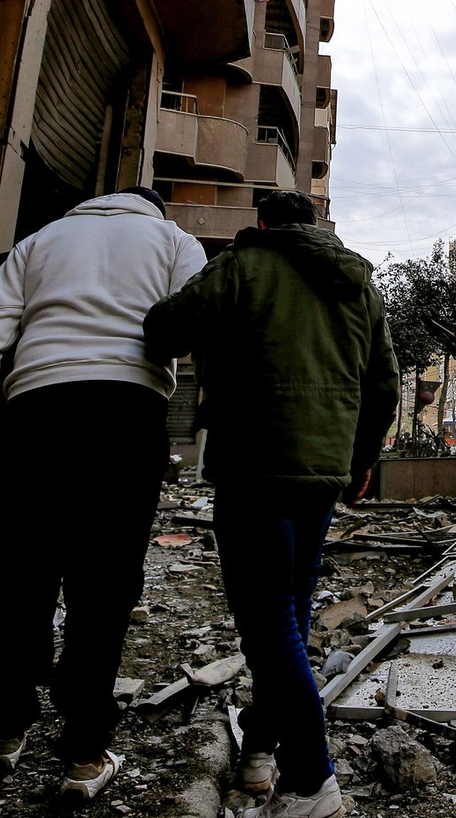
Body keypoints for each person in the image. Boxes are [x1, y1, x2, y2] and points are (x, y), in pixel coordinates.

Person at [143, 190, 399, 818]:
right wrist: (359, 459)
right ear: (315, 226)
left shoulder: (242, 265)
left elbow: (165, 328)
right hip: (321, 474)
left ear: (261, 223)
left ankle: (313, 780)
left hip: (253, 466)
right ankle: (260, 749)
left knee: (271, 625)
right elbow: (384, 384)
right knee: (285, 617)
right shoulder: (358, 282)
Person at [0, 187, 208, 801]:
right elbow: (195, 320)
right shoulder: (173, 240)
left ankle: (6, 726)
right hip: (125, 409)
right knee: (105, 580)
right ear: (154, 211)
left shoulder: (38, 241)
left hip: (33, 404)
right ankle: (85, 752)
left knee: (22, 571)